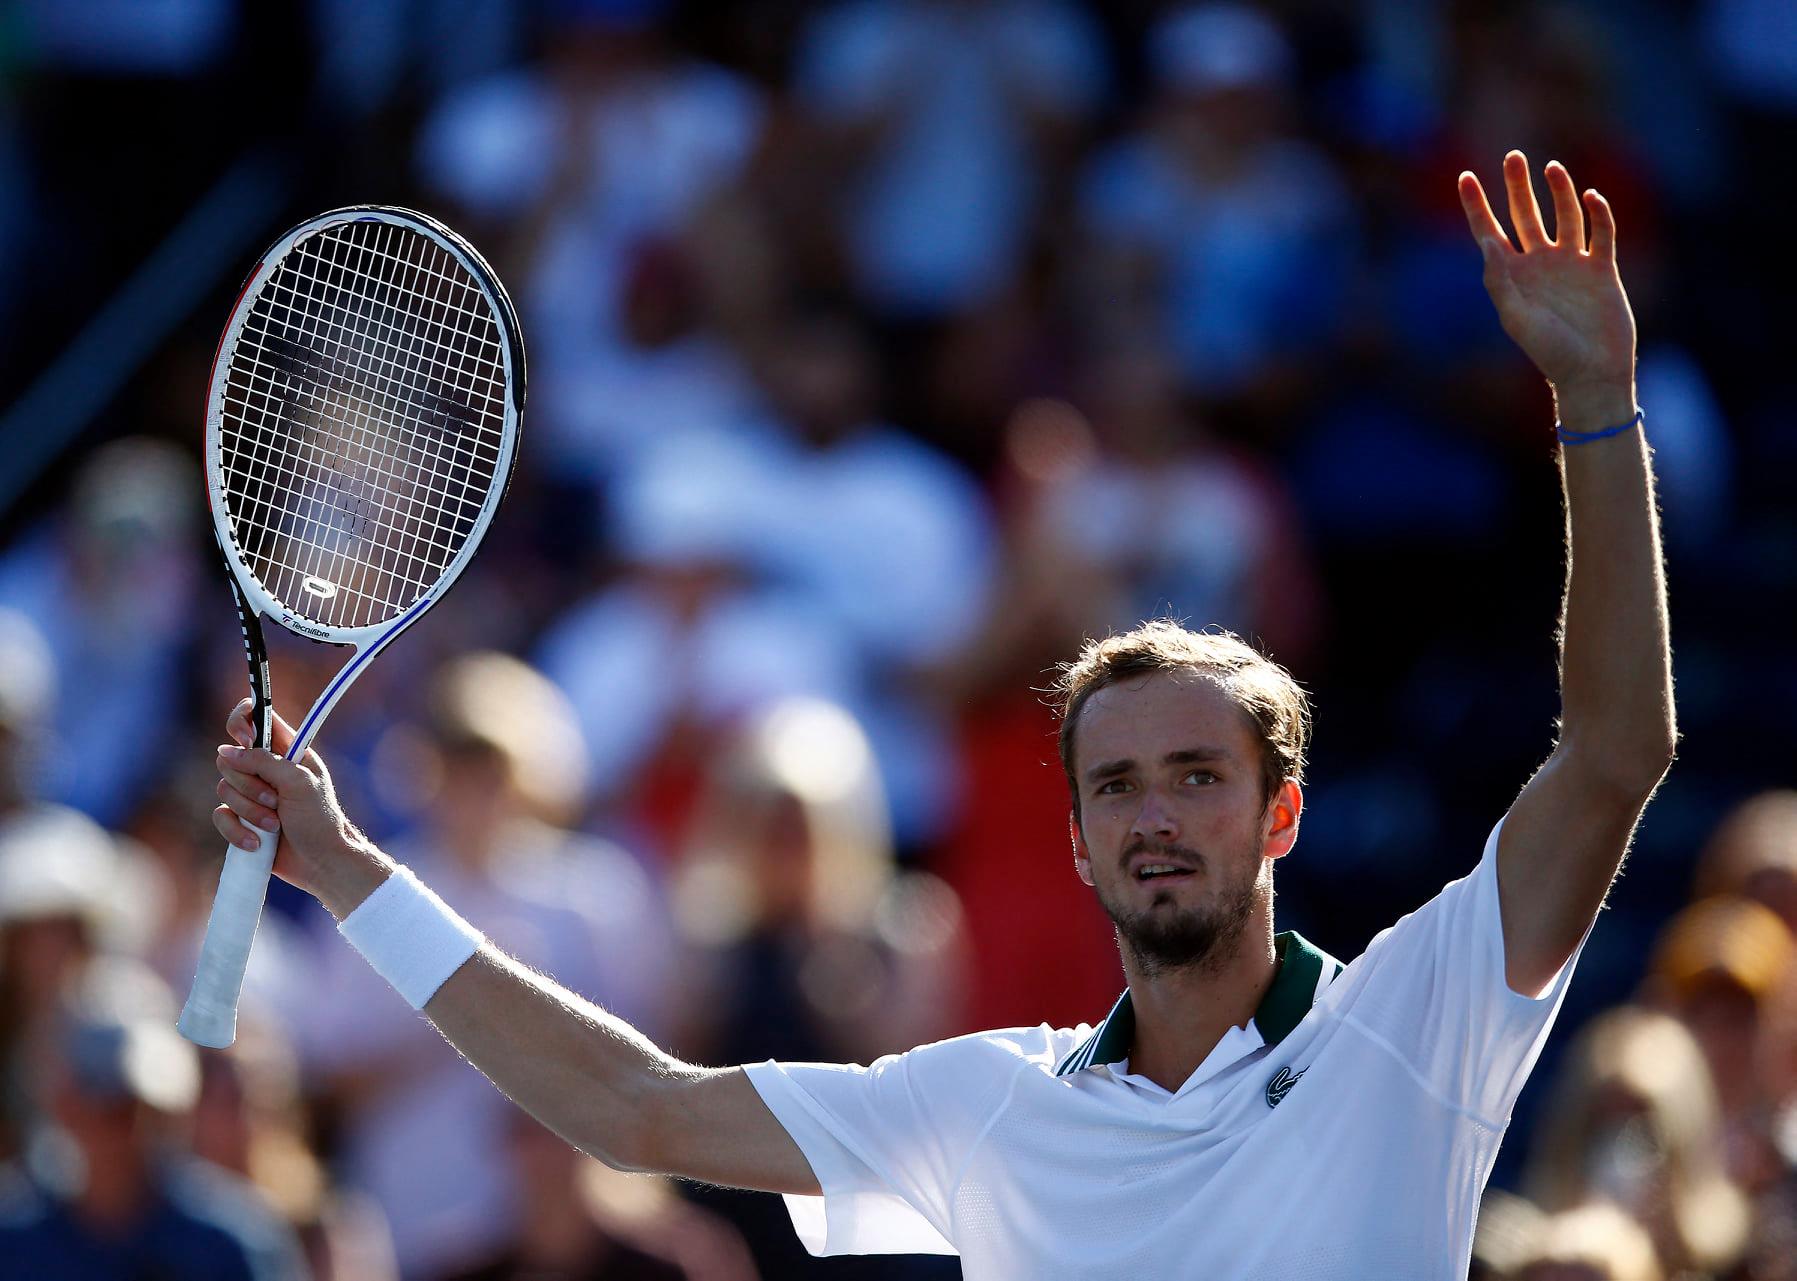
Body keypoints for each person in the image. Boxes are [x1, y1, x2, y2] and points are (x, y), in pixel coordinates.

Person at [208, 152, 1673, 1277]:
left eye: (1194, 776)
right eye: (1115, 787)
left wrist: (1595, 403)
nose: (1153, 814)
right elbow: (630, 1107)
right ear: (1082, 843)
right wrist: (346, 868)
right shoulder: (991, 1101)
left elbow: (1614, 752)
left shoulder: (1409, 1023)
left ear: (1281, 809)